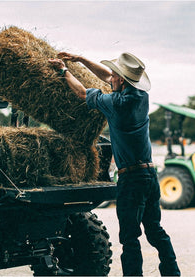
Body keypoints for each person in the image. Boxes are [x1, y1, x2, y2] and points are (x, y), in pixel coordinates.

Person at [49, 52, 181, 276]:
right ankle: (172, 272)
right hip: (150, 176)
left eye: (115, 78)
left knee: (129, 237)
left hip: (132, 179)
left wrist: (64, 70)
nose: (111, 80)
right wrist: (79, 58)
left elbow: (82, 93)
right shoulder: (140, 96)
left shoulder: (117, 104)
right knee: (155, 230)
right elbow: (109, 76)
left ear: (121, 80)